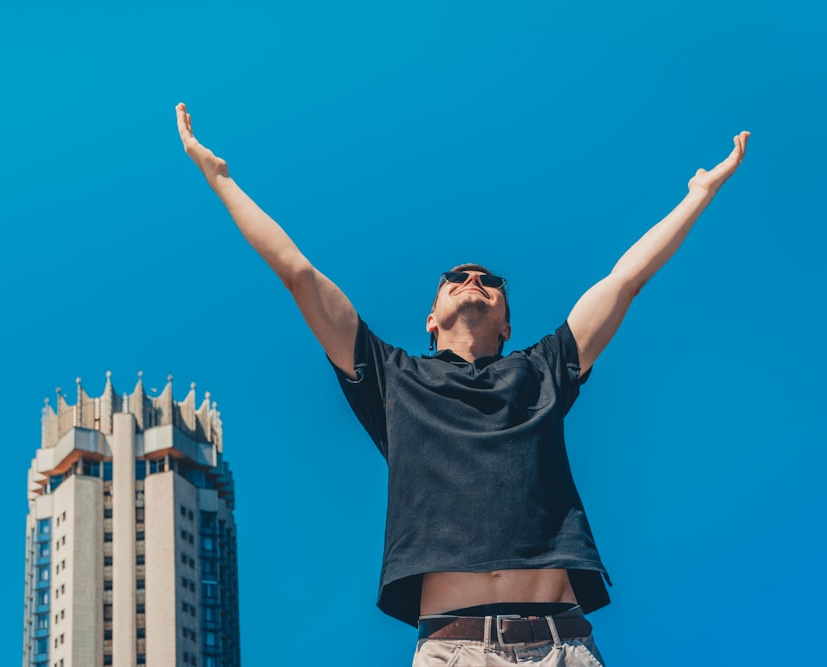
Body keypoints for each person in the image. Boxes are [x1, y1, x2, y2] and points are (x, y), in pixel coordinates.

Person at [176, 102, 748, 666]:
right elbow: (298, 273)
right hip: (454, 649)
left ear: (506, 322)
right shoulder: (392, 378)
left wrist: (698, 196)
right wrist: (223, 181)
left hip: (564, 645)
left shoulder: (544, 368)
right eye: (456, 278)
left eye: (489, 280)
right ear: (430, 317)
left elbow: (625, 282)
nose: (472, 280)